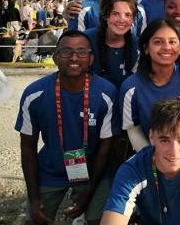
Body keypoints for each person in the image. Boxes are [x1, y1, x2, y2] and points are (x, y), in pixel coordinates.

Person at [14, 30, 118, 224]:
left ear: (91, 58)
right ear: (55, 57)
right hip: (51, 170)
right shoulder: (34, 94)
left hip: (94, 171)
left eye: (82, 52)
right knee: (36, 218)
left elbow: (106, 146)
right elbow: (27, 147)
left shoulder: (106, 93)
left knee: (99, 221)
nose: (74, 57)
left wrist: (88, 193)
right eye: (66, 51)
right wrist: (34, 197)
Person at [120, 19, 180, 154]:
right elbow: (133, 130)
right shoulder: (130, 87)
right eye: (158, 42)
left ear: (179, 47)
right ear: (146, 49)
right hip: (151, 157)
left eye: (172, 42)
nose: (167, 47)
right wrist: (154, 158)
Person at [85, 0, 139, 89]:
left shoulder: (137, 45)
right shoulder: (86, 39)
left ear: (133, 19)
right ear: (105, 15)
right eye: (115, 14)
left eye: (128, 15)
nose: (122, 20)